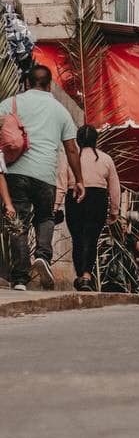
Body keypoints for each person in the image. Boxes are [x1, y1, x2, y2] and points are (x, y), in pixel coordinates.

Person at [0, 65, 84, 291]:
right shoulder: (60, 110)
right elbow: (71, 149)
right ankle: (43, 256)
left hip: (16, 172)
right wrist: (79, 180)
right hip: (45, 174)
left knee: (19, 221)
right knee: (45, 217)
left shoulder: (10, 104)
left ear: (27, 83)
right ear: (49, 85)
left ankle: (19, 278)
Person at [63, 127, 121, 292]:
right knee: (91, 238)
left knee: (78, 238)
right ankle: (87, 276)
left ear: (78, 140)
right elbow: (114, 186)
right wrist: (114, 210)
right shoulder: (106, 159)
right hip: (98, 199)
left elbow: (61, 180)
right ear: (96, 139)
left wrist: (56, 205)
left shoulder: (70, 158)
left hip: (74, 197)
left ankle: (81, 276)